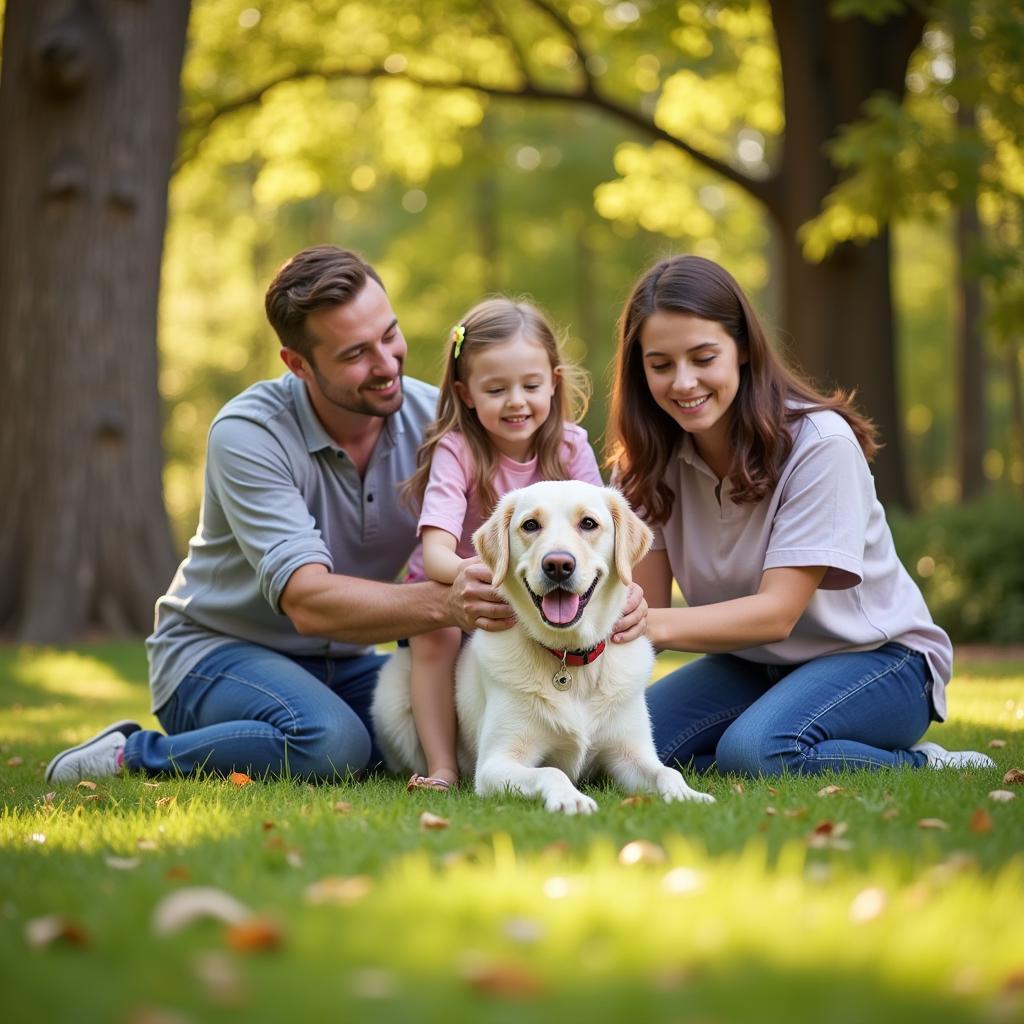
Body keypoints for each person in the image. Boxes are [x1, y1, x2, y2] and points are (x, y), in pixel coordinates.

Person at [45, 246, 645, 785]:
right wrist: (449, 603)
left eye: (390, 335)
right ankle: (135, 753)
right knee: (330, 745)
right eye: (357, 353)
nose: (386, 363)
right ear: (298, 363)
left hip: (350, 657)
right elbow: (308, 601)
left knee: (403, 739)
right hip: (219, 652)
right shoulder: (249, 433)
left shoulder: (437, 423)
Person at [607, 254, 995, 776]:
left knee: (759, 751)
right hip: (751, 665)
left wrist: (645, 622)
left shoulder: (819, 445)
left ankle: (923, 764)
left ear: (742, 348)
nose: (683, 382)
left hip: (880, 662)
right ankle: (740, 749)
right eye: (660, 365)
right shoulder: (643, 465)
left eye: (703, 357)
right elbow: (640, 611)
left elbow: (776, 613)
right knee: (615, 749)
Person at [400, 298, 603, 793]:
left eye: (531, 386)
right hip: (463, 581)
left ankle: (593, 737)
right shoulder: (459, 449)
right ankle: (444, 765)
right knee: (437, 635)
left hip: (537, 584)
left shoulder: (571, 446)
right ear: (467, 394)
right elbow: (436, 556)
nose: (516, 401)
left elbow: (598, 534)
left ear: (553, 383)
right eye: (496, 389)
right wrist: (490, 580)